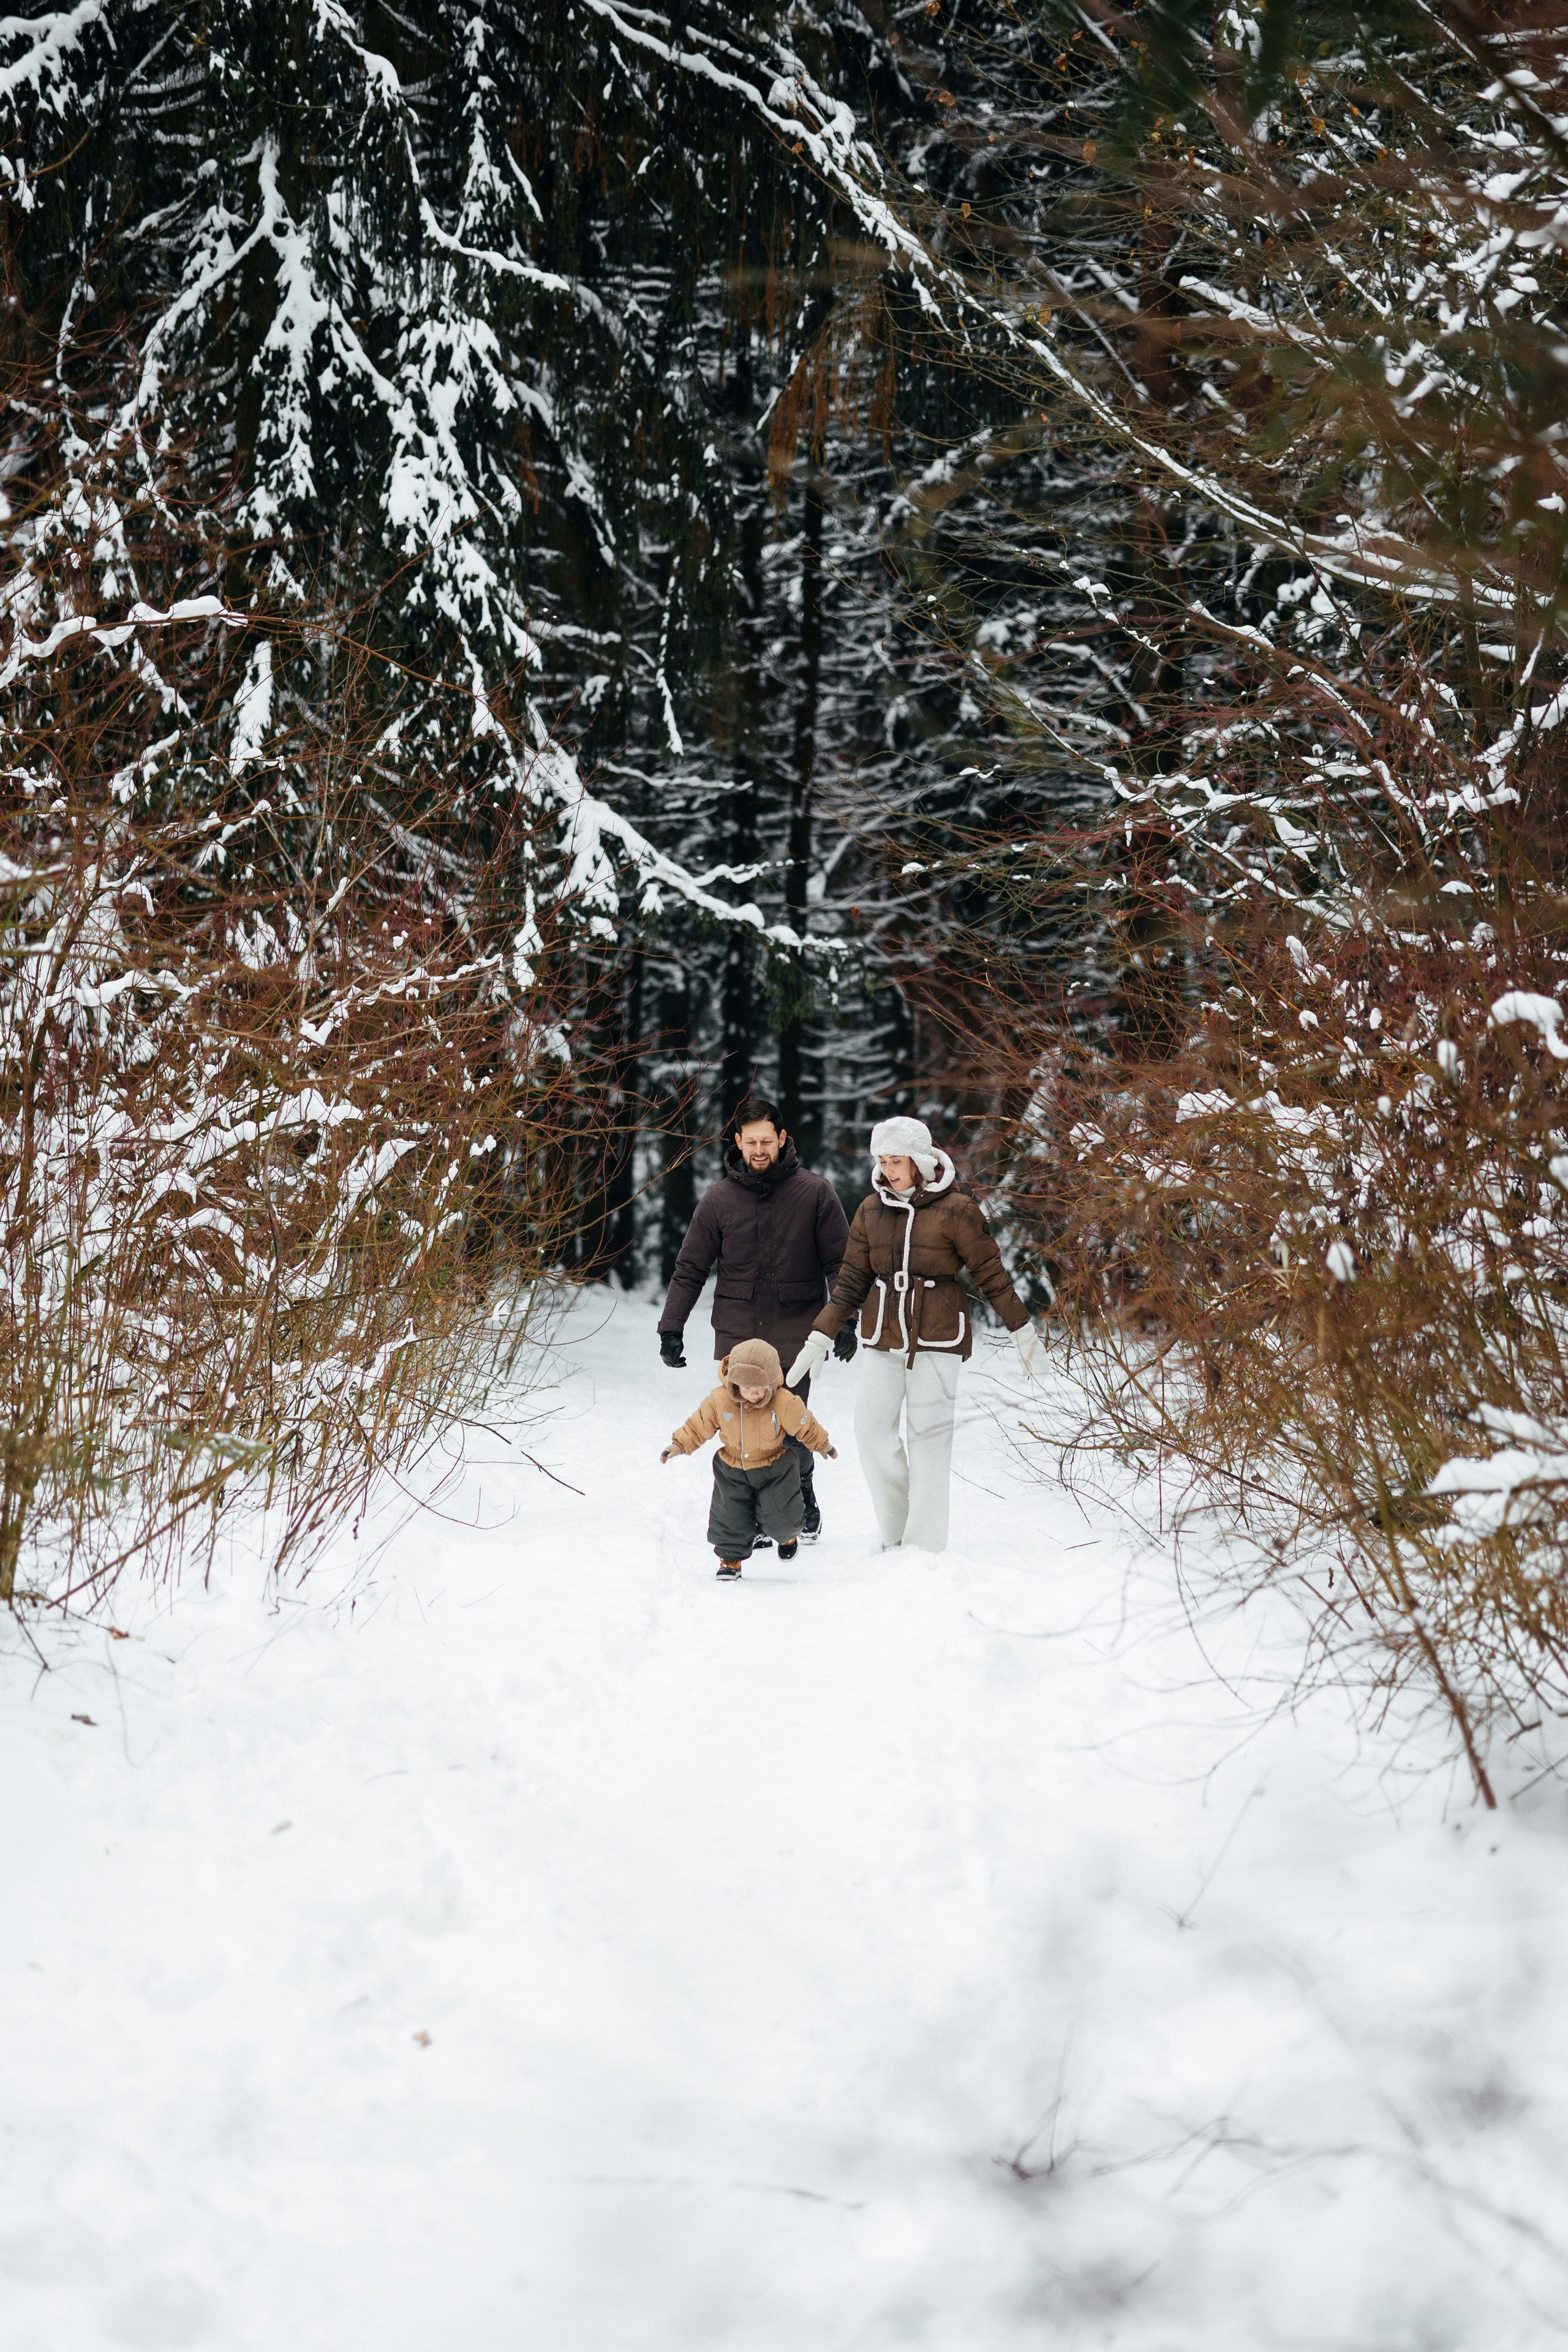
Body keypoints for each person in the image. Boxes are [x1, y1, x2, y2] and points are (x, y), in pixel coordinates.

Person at [786, 1115, 1041, 1555]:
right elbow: (850, 1283)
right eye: (883, 1160)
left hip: (937, 1340)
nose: (888, 1169)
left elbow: (990, 1274)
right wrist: (820, 1337)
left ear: (920, 1161)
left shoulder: (958, 1210)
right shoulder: (870, 1209)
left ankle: (924, 1549)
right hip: (883, 1338)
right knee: (870, 1433)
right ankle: (895, 1531)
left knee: (929, 1443)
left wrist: (1022, 1329)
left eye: (896, 1160)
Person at [657, 1096, 852, 1542]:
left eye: (768, 1141)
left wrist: (844, 1321)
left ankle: (800, 1492)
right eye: (751, 1142)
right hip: (738, 1332)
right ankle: (758, 1517)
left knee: (791, 1422)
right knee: (744, 1427)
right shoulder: (719, 1199)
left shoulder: (815, 1193)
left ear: (783, 1139)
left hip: (796, 1332)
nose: (760, 1150)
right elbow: (690, 1267)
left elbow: (841, 1264)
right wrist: (672, 1327)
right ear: (738, 1142)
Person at [662, 1338, 837, 1580]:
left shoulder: (783, 1401)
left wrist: (823, 1444)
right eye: (748, 1388)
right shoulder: (719, 1400)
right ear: (734, 1382)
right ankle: (730, 1560)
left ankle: (787, 1535)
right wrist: (678, 1445)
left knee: (782, 1513)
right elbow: (698, 1426)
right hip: (733, 1469)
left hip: (774, 1467)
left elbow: (804, 1424)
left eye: (761, 1388)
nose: (755, 1394)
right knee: (729, 1518)